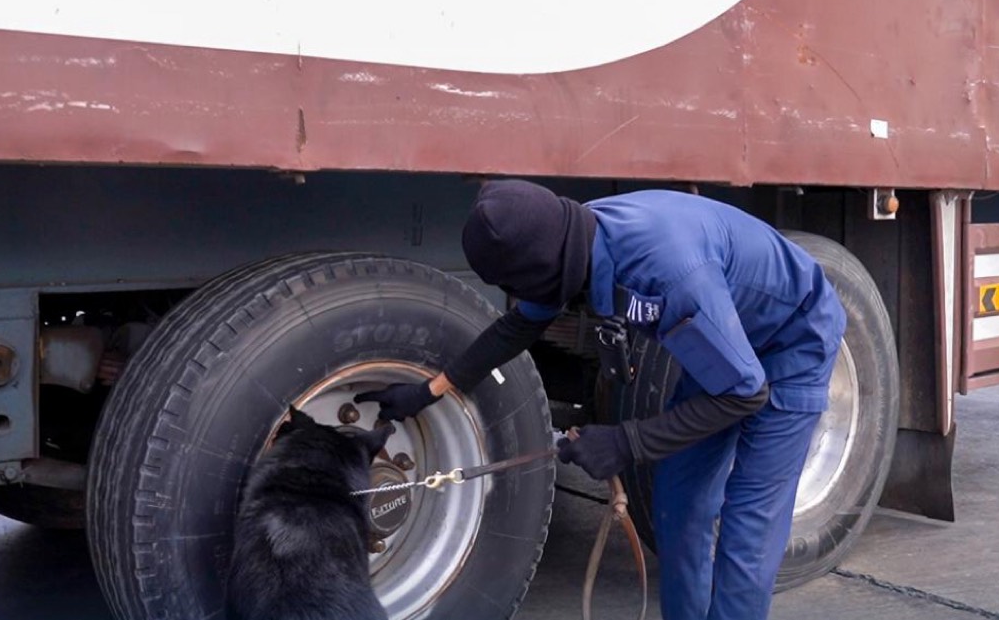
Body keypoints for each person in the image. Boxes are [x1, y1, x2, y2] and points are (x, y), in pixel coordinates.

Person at [356, 179, 846, 620]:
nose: (520, 296)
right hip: (726, 350)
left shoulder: (667, 276)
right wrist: (429, 390)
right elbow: (518, 327)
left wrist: (624, 442)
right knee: (679, 500)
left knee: (746, 529)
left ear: (545, 269)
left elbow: (745, 394)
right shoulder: (566, 240)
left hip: (791, 340)